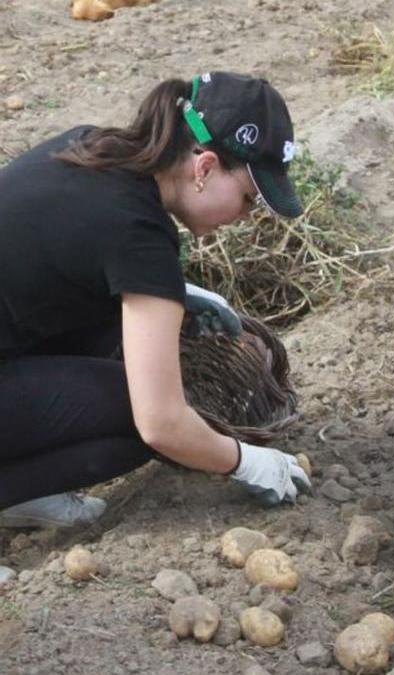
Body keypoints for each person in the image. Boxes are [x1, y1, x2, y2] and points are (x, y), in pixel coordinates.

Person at [0, 71, 311, 530]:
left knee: (119, 339)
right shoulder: (139, 234)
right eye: (248, 199)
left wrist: (175, 294)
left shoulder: (90, 148)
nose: (246, 217)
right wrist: (243, 460)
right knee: (143, 422)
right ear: (204, 167)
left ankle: (21, 495)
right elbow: (162, 423)